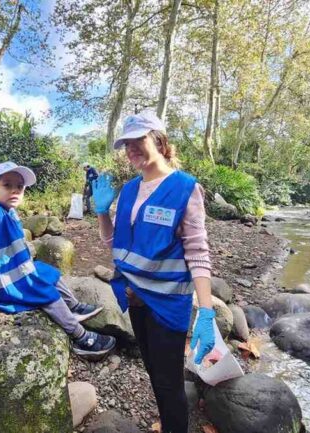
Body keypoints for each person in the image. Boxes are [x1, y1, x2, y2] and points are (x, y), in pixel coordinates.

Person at [92, 111, 214, 433]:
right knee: (153, 374)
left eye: (139, 140)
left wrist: (206, 311)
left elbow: (197, 251)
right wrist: (102, 212)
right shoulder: (129, 190)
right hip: (134, 298)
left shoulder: (185, 188)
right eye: (126, 144)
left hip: (167, 305)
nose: (131, 149)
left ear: (159, 141)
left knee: (169, 383)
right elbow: (115, 242)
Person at [0, 161, 116, 360]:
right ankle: (81, 337)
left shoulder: (7, 210)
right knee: (43, 291)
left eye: (19, 186)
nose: (15, 190)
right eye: (7, 185)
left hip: (9, 269)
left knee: (46, 271)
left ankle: (73, 306)